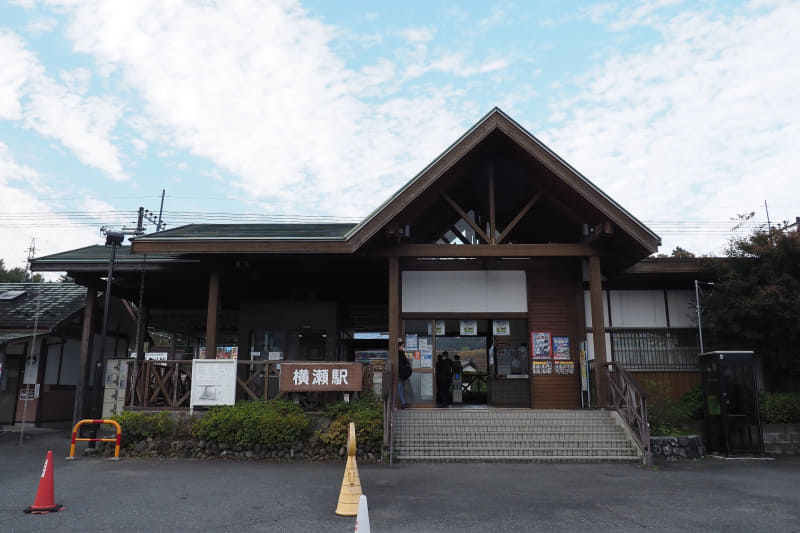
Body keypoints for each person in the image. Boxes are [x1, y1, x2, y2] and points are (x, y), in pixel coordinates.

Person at [397, 344, 412, 408]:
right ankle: (402, 403)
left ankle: (403, 403)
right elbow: (405, 362)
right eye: (402, 346)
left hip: (399, 373)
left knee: (400, 387)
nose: (403, 347)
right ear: (399, 346)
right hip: (401, 374)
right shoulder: (400, 353)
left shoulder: (397, 353)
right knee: (400, 388)